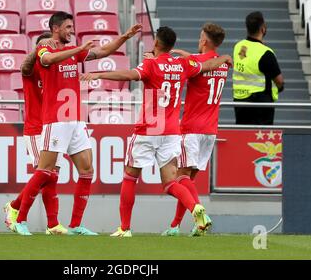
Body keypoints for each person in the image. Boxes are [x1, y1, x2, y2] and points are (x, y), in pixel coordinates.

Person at [81, 26, 232, 237]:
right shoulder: (182, 65)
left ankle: (124, 228)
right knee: (171, 182)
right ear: (171, 45)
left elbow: (128, 74)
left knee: (130, 176)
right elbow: (206, 65)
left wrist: (99, 74)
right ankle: (195, 208)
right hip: (171, 132)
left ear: (155, 43)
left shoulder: (151, 64)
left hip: (148, 129)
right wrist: (225, 58)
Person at [12, 11, 142, 236]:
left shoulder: (74, 54)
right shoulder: (46, 49)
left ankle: (75, 225)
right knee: (45, 172)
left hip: (75, 121)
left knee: (87, 170)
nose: (71, 31)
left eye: (72, 27)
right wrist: (78, 49)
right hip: (56, 120)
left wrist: (125, 37)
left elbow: (103, 51)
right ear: (56, 28)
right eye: (68, 27)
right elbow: (48, 60)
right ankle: (20, 218)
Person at [161, 23, 229, 237]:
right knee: (187, 180)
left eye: (201, 37)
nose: (199, 39)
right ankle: (176, 226)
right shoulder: (223, 64)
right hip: (210, 131)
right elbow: (202, 61)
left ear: (205, 41)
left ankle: (201, 215)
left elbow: (187, 65)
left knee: (180, 178)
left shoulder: (195, 62)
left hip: (191, 128)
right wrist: (188, 54)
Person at [4, 32, 69, 235]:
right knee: (44, 174)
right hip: (35, 128)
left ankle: (52, 224)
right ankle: (15, 208)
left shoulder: (55, 69)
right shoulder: (32, 68)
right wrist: (38, 48)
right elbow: (23, 67)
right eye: (44, 46)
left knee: (52, 176)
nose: (48, 49)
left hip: (54, 127)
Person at [233, 11, 284, 125]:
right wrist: (280, 88)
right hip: (260, 105)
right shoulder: (265, 53)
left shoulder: (238, 47)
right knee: (261, 141)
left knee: (242, 137)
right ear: (263, 29)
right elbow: (279, 81)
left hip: (240, 102)